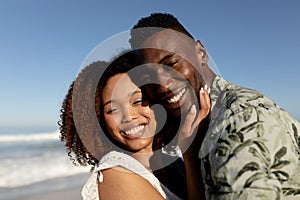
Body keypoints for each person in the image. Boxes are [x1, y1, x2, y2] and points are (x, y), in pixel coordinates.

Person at [129, 13, 300, 199]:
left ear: (201, 53)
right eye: (148, 76)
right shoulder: (202, 124)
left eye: (172, 63)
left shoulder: (238, 120)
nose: (162, 85)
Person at [59, 52, 211, 200]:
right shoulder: (116, 172)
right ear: (100, 121)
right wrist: (190, 151)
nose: (128, 117)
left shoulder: (173, 163)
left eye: (138, 101)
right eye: (113, 110)